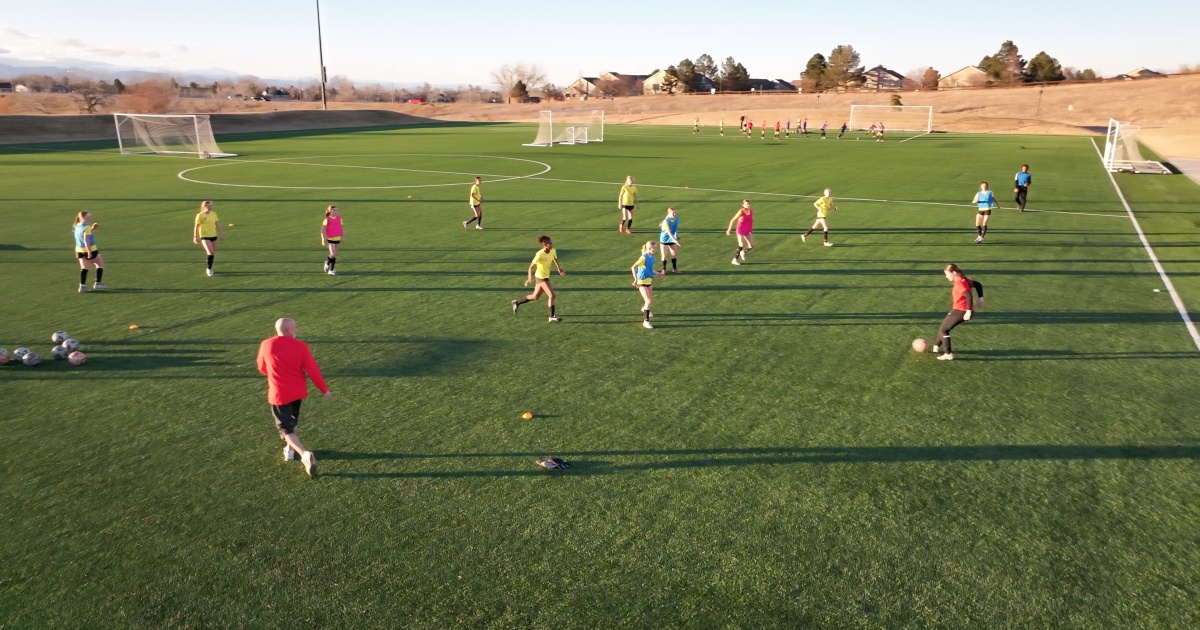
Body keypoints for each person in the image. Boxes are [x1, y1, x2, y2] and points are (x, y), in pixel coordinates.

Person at [256, 317, 332, 477]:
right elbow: (313, 370)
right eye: (295, 327)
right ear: (289, 330)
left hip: (279, 394)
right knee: (293, 420)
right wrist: (324, 390)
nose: (296, 329)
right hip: (298, 392)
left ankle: (304, 454)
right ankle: (289, 450)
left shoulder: (266, 344)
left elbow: (262, 367)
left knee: (285, 428)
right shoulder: (301, 346)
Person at [932, 264, 984, 361]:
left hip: (962, 310)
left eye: (947, 274)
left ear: (954, 273)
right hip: (958, 309)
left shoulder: (959, 282)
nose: (946, 277)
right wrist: (981, 298)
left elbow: (968, 295)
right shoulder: (964, 279)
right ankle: (936, 346)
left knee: (944, 329)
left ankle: (948, 354)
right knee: (944, 327)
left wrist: (968, 312)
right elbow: (978, 284)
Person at [512, 235, 566, 322]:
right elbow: (531, 267)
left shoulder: (553, 251)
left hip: (545, 276)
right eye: (550, 243)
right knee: (552, 295)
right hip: (541, 277)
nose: (552, 244)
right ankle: (552, 316)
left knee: (535, 296)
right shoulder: (539, 254)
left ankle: (517, 302)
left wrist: (559, 269)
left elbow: (554, 258)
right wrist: (529, 278)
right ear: (545, 244)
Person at [72, 211, 106, 293]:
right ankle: (98, 283)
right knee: (100, 264)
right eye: (88, 217)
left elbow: (84, 235)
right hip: (91, 249)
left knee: (84, 268)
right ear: (83, 217)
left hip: (79, 250)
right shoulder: (86, 227)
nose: (90, 218)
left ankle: (82, 286)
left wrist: (92, 229)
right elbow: (86, 240)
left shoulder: (77, 226)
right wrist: (89, 252)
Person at [631, 241, 661, 329]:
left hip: (649, 281)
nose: (656, 249)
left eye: (656, 247)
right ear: (649, 248)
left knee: (650, 300)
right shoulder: (643, 257)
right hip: (641, 282)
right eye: (654, 248)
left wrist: (658, 273)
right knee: (648, 300)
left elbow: (650, 268)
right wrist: (635, 279)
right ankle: (646, 321)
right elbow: (633, 267)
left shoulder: (652, 257)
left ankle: (645, 308)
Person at [193, 200, 223, 277]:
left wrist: (220, 233)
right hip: (204, 236)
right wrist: (195, 236)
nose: (211, 207)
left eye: (211, 206)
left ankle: (210, 267)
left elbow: (217, 224)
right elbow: (196, 226)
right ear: (205, 207)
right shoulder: (200, 215)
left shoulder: (213, 214)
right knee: (210, 252)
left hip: (213, 235)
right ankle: (209, 269)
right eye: (209, 206)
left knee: (212, 253)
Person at [726, 200, 755, 265]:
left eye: (749, 204)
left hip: (747, 230)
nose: (749, 205)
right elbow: (733, 220)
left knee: (751, 245)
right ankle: (735, 260)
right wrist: (729, 229)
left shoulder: (751, 212)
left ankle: (743, 252)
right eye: (747, 204)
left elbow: (750, 221)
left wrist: (750, 229)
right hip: (740, 230)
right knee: (741, 245)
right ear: (743, 205)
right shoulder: (741, 212)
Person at [320, 205, 343, 275]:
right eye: (335, 210)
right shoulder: (327, 219)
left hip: (337, 238)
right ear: (331, 211)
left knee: (334, 255)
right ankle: (331, 270)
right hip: (330, 238)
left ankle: (327, 263)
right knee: (333, 254)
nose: (337, 211)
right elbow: (322, 230)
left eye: (337, 210)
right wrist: (323, 239)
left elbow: (339, 227)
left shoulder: (339, 218)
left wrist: (342, 236)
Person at [658, 207, 681, 274]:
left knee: (674, 254)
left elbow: (675, 228)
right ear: (668, 214)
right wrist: (675, 240)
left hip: (672, 238)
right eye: (673, 213)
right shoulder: (666, 221)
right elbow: (669, 233)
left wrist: (677, 235)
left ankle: (674, 268)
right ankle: (664, 269)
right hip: (664, 239)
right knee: (664, 256)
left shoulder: (677, 219)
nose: (674, 214)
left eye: (675, 213)